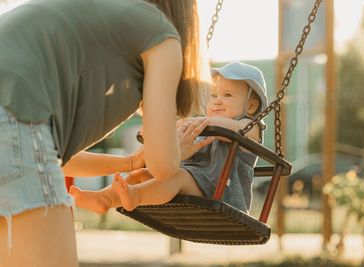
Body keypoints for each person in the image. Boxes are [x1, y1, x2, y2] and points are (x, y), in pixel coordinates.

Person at [0, 0, 211, 266]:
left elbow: (58, 157)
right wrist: (175, 149)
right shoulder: (159, 31)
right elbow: (162, 167)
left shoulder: (88, 19)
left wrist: (130, 163)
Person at [71, 61, 268, 215]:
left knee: (174, 176)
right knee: (144, 174)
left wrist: (197, 122)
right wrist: (159, 131)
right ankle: (104, 199)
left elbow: (232, 128)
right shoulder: (202, 124)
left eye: (227, 95)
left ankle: (135, 196)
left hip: (221, 194)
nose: (217, 101)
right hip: (194, 182)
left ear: (250, 107)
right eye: (213, 95)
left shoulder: (249, 126)